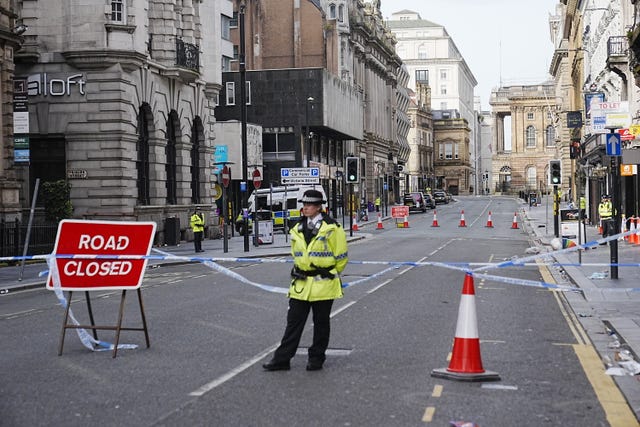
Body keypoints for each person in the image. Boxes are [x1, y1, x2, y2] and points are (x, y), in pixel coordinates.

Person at [263, 189, 348, 372]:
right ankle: (282, 359)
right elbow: (296, 253)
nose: (305, 208)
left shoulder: (332, 228)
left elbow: (341, 257)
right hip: (301, 282)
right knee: (293, 322)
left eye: (309, 205)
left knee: (321, 323)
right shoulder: (297, 227)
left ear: (319, 207)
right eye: (304, 205)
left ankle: (316, 358)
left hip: (323, 283)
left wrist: (329, 273)